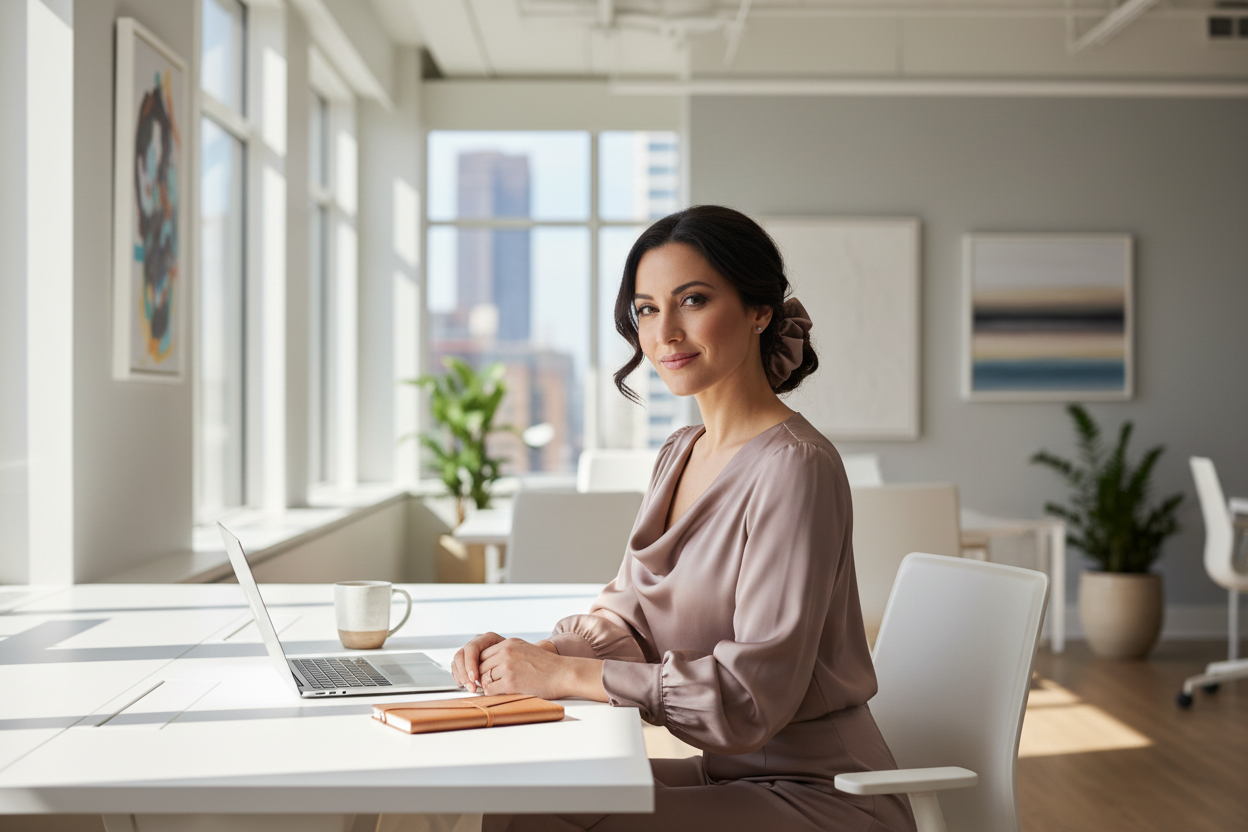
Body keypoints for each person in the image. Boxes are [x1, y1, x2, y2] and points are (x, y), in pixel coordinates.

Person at [452, 205, 916, 832]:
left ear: (759, 311)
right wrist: (534, 654)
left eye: (692, 300)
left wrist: (568, 675)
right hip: (735, 774)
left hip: (824, 795)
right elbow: (632, 616)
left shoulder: (796, 467)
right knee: (525, 798)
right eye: (646, 309)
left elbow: (750, 699)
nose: (665, 331)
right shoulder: (679, 452)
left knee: (540, 822)